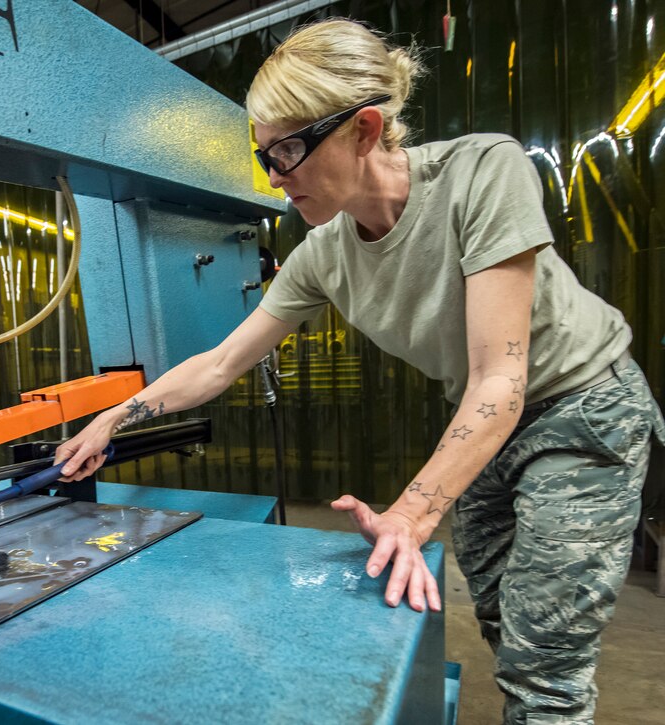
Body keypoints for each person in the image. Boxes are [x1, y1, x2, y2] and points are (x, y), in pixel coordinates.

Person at [54, 18, 665, 724]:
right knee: (500, 612)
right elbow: (221, 361)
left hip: (582, 403)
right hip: (487, 418)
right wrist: (113, 416)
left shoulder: (481, 172)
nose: (277, 177)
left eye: (288, 149)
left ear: (365, 130)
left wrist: (411, 512)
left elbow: (502, 376)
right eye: (265, 157)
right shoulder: (323, 253)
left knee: (545, 657)